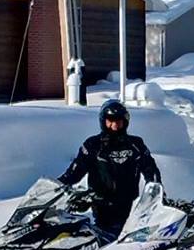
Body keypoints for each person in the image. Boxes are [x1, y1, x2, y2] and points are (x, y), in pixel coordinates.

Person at [59, 98, 162, 238]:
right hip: (102, 208)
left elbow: (151, 170)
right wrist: (55, 190)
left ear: (125, 121)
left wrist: (157, 195)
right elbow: (73, 174)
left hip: (131, 208)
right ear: (103, 121)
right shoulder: (93, 145)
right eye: (110, 120)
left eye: (118, 120)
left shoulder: (136, 144)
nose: (114, 125)